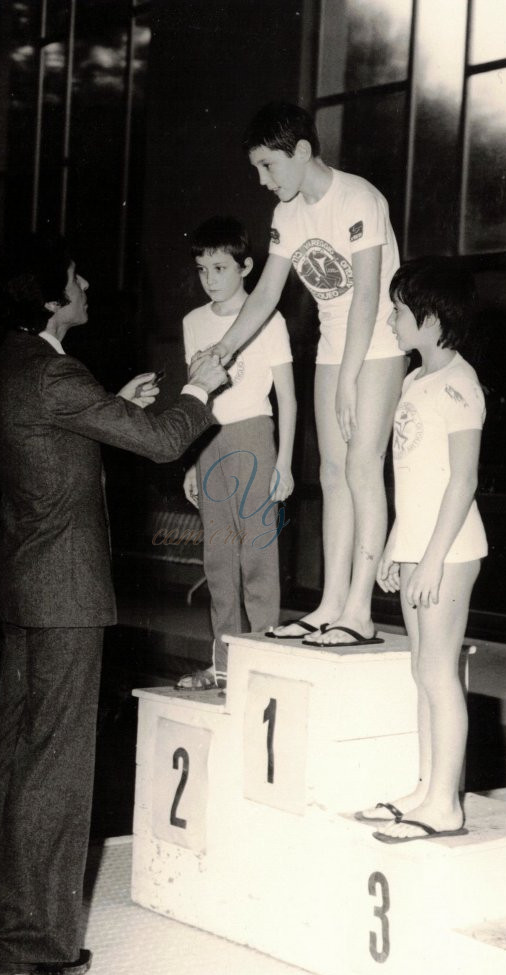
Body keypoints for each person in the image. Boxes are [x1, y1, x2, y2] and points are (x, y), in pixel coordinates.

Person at [0, 233, 226, 975]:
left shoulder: (8, 366)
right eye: (74, 280)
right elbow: (165, 442)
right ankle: (34, 942)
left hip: (22, 580)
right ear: (49, 298)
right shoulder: (54, 372)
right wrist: (198, 386)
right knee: (56, 764)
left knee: (12, 753)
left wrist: (115, 406)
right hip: (65, 589)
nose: (84, 288)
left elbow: (54, 438)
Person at [195, 102, 406, 647]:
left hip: (377, 341)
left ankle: (360, 609)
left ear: (303, 152)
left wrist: (349, 378)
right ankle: (331, 603)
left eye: (268, 166)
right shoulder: (288, 214)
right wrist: (221, 350)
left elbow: (365, 297)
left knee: (362, 466)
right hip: (336, 346)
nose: (263, 181)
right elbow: (266, 292)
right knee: (332, 473)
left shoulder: (359, 198)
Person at [355, 257, 487, 843]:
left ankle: (446, 806)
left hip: (451, 550)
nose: (390, 319)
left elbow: (462, 482)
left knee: (438, 672)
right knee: (421, 670)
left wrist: (431, 559)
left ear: (432, 320)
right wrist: (394, 547)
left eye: (399, 311)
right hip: (419, 546)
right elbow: (412, 478)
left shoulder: (460, 384)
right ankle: (426, 788)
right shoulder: (415, 380)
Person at [175, 216, 296, 691]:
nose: (210, 279)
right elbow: (193, 397)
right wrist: (190, 460)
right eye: (203, 269)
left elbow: (286, 396)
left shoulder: (269, 318)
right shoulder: (193, 322)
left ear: (246, 267)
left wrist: (284, 462)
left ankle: (263, 661)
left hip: (253, 437)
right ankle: (223, 665)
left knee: (258, 557)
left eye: (220, 268)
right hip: (210, 441)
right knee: (219, 560)